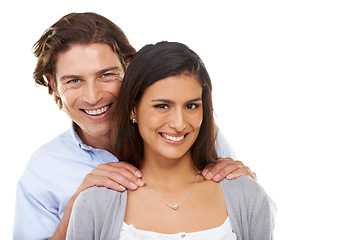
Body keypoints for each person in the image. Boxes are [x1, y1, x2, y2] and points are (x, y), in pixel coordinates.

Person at [14, 13, 257, 240]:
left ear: (129, 68)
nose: (92, 96)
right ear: (53, 85)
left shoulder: (185, 131)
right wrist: (77, 208)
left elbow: (252, 218)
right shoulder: (42, 171)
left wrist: (245, 186)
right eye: (74, 81)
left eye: (106, 75)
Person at [66, 41, 274, 239]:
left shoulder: (247, 195)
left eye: (191, 106)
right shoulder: (94, 203)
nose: (179, 124)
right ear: (133, 109)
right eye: (162, 106)